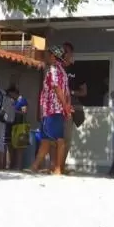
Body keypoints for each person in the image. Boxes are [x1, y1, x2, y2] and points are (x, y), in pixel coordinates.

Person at [29, 44, 72, 175]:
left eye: (48, 55)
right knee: (46, 141)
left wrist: (65, 107)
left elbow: (57, 89)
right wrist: (67, 107)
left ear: (54, 56)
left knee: (59, 140)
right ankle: (35, 166)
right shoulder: (63, 72)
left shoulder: (53, 70)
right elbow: (67, 92)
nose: (46, 57)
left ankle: (58, 169)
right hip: (54, 110)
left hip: (52, 110)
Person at [61, 41, 85, 170]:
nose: (64, 53)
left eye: (66, 51)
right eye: (62, 51)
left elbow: (84, 92)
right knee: (53, 138)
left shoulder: (76, 70)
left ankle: (61, 166)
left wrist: (71, 92)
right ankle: (55, 165)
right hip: (55, 107)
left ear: (71, 54)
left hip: (69, 107)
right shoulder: (57, 69)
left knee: (66, 138)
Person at [7, 85, 27, 170]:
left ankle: (19, 166)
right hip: (13, 125)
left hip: (20, 125)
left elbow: (24, 112)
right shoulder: (14, 101)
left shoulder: (22, 100)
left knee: (19, 147)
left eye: (10, 94)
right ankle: (11, 164)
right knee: (11, 146)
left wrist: (13, 111)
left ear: (14, 93)